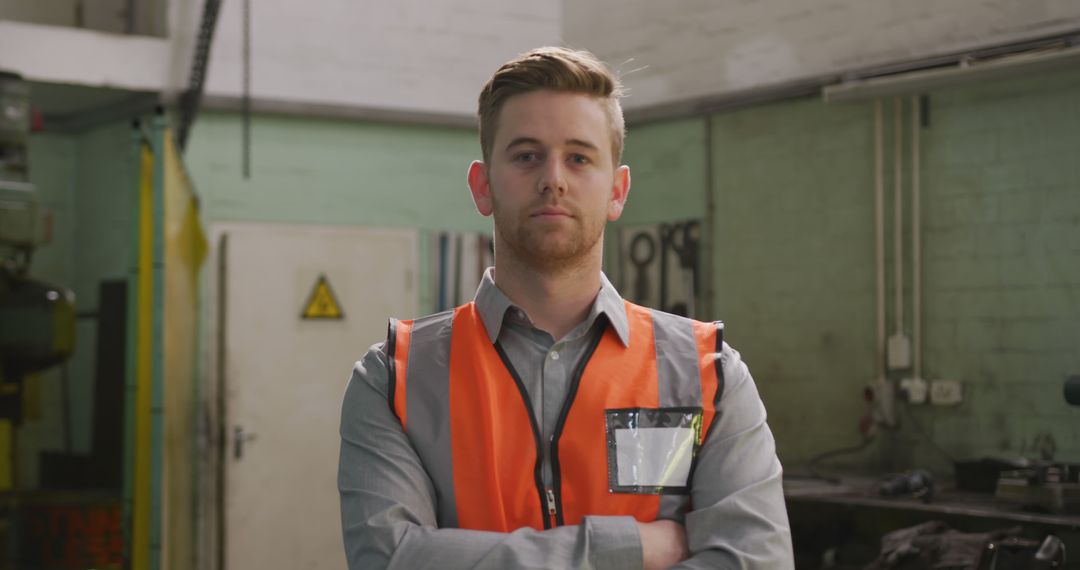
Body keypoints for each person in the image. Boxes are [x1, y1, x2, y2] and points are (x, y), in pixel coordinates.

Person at [338, 46, 793, 569]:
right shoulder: (394, 377)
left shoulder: (708, 374)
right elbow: (389, 560)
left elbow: (755, 562)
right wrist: (625, 548)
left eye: (579, 157)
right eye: (526, 155)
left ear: (617, 191)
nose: (553, 178)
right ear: (482, 186)